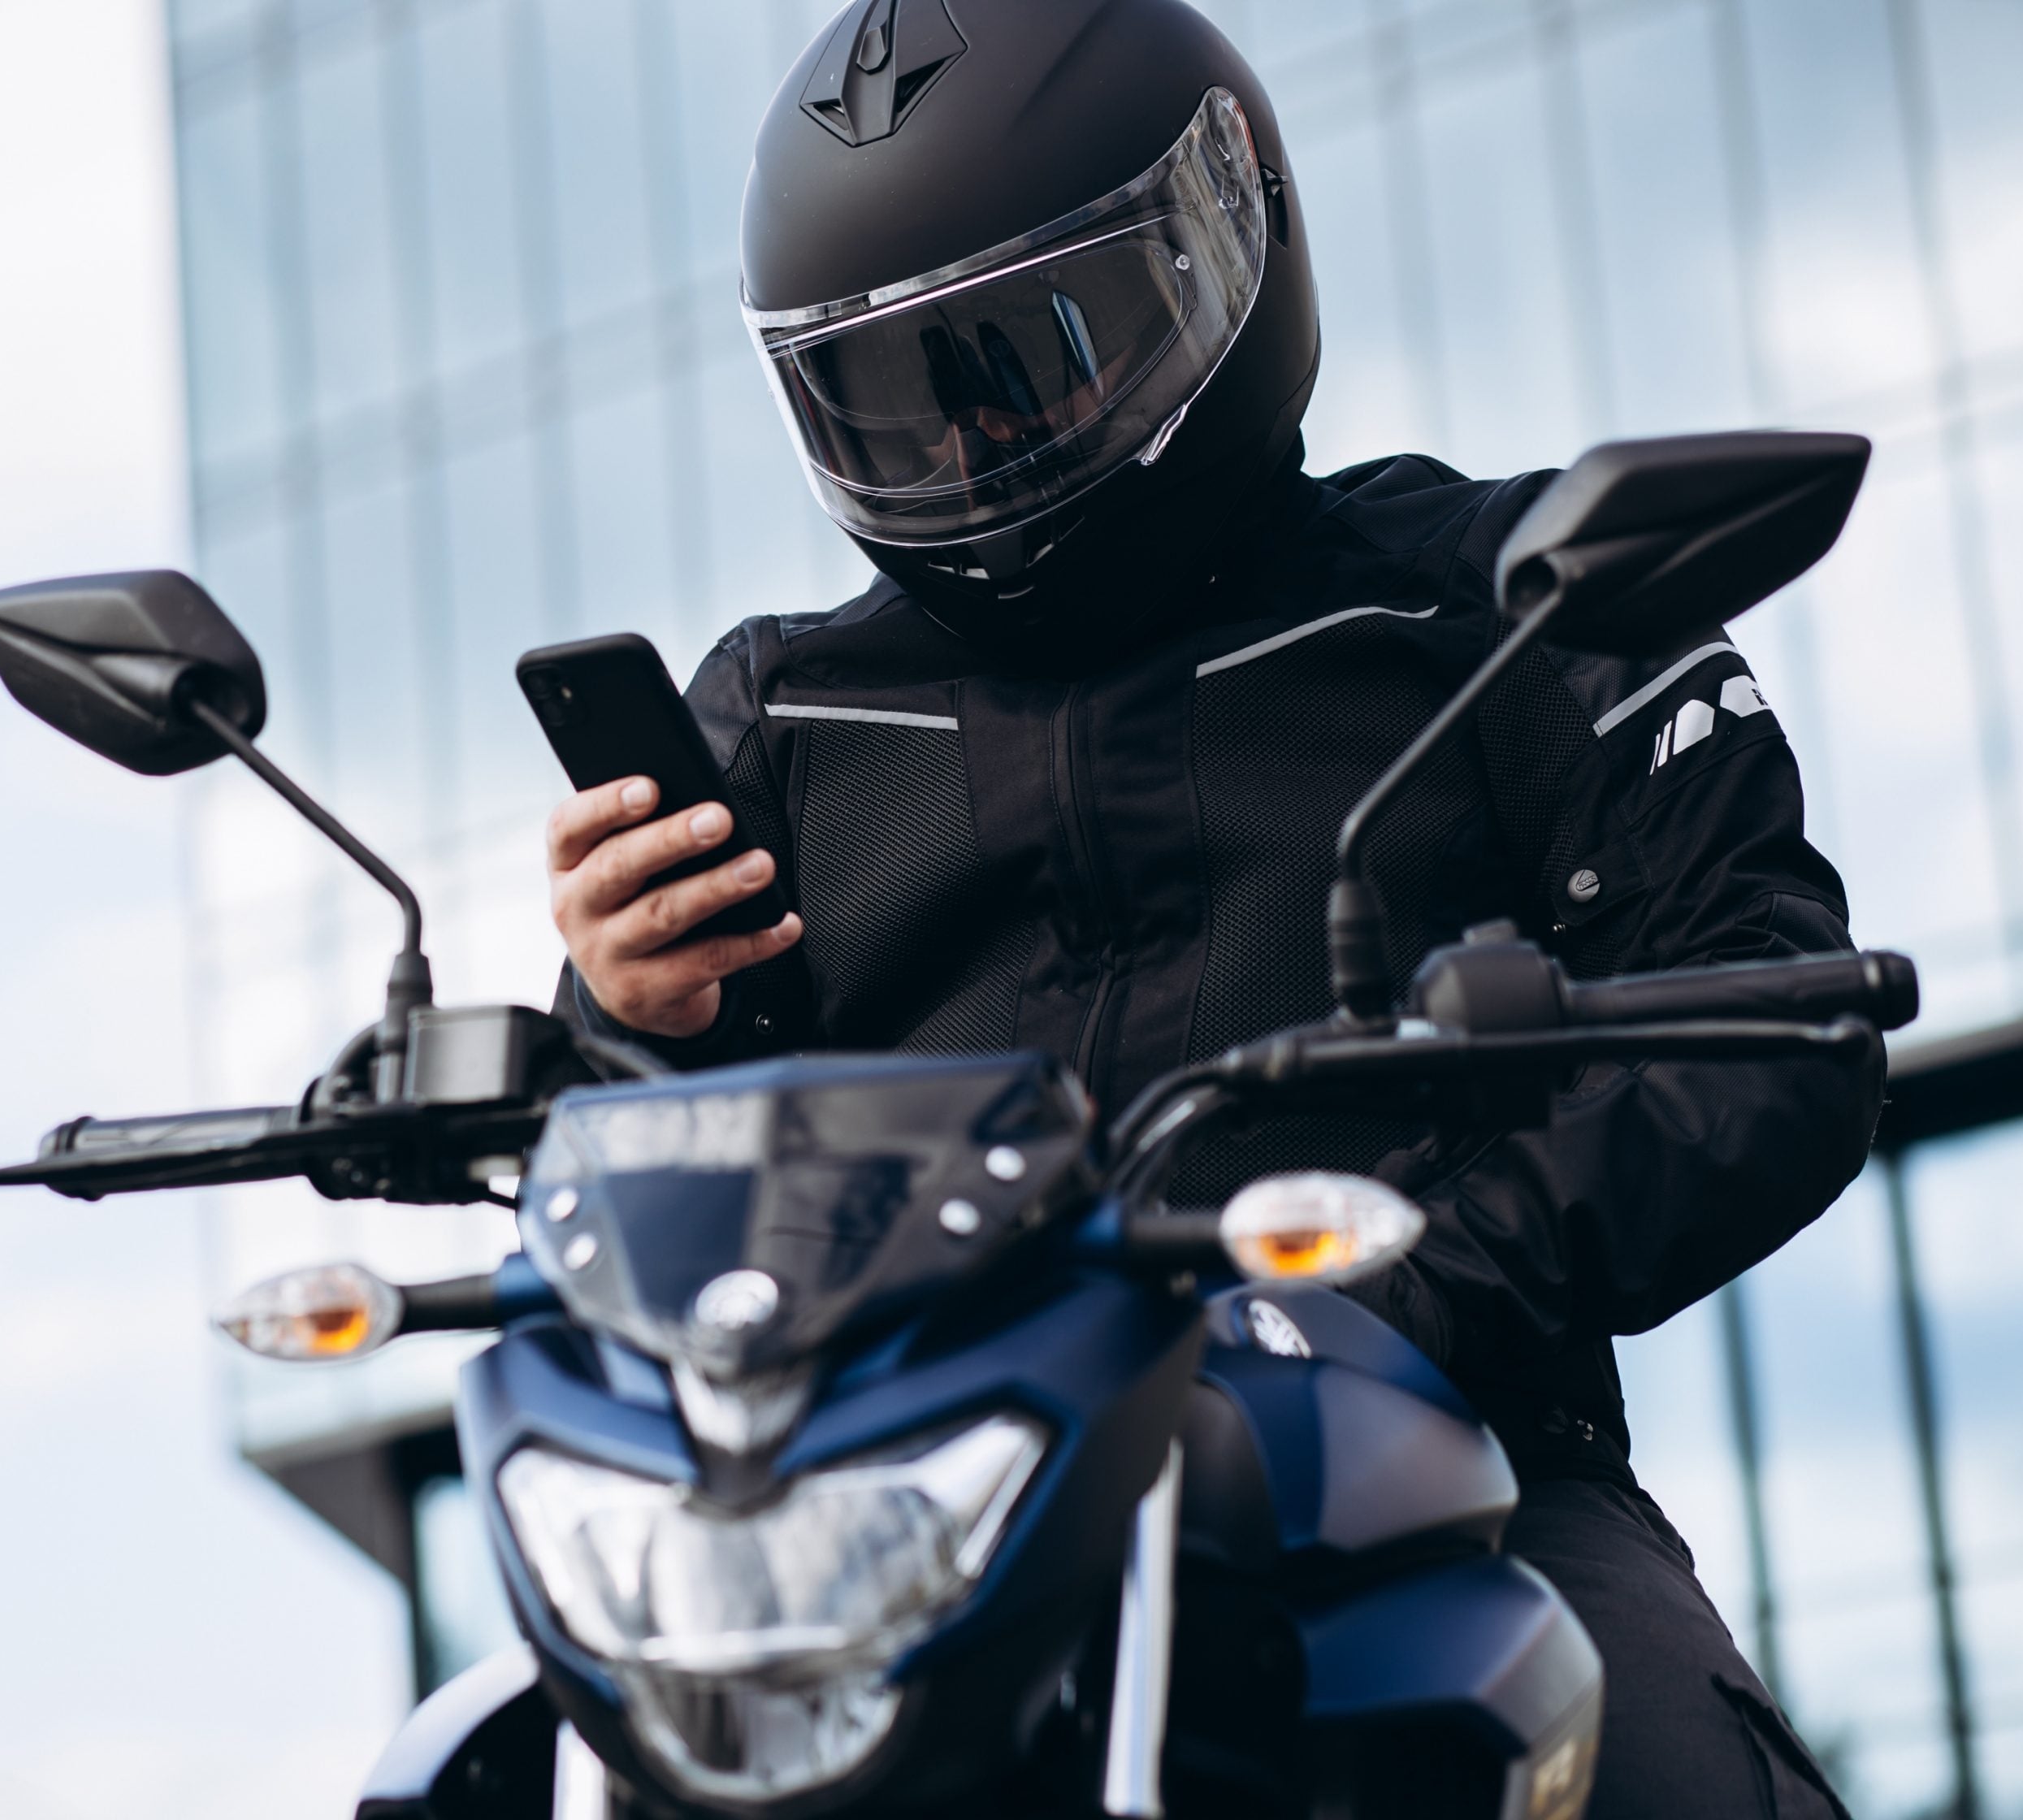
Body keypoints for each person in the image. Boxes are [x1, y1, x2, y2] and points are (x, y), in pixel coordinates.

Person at [542, 3, 1878, 1815]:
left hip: (1432, 1466)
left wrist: (1416, 1281)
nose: (976, 442)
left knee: (1651, 1765)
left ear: (1226, 234)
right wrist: (633, 1013)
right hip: (904, 1522)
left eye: (1033, 356)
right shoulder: (781, 721)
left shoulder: (1503, 610)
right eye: (903, 395)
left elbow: (1774, 1011)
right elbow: (637, 1168)